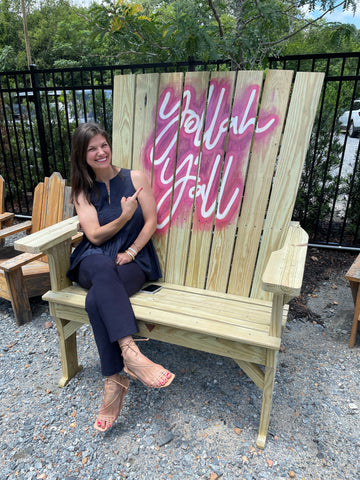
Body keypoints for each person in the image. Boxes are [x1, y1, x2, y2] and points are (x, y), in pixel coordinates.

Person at [67, 122, 175, 433]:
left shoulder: (135, 177)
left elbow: (152, 219)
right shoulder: (82, 191)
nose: (100, 152)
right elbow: (96, 236)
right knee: (101, 268)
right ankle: (130, 352)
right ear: (82, 155)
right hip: (92, 259)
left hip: (133, 259)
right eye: (92, 149)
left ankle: (114, 380)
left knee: (95, 298)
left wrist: (131, 250)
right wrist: (125, 216)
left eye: (103, 145)